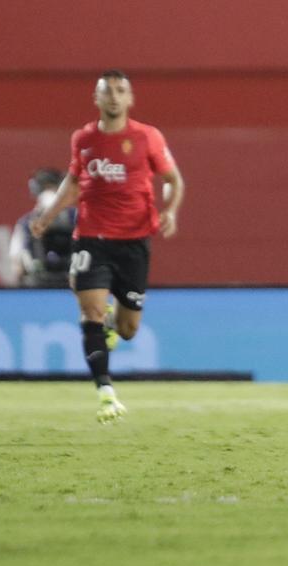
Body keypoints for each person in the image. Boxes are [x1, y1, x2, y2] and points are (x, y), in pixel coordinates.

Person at [27, 73, 186, 424]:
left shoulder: (148, 137)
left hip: (134, 242)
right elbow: (73, 181)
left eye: (120, 91)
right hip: (92, 238)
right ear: (95, 99)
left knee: (128, 330)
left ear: (130, 99)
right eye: (106, 91)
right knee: (91, 312)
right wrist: (49, 215)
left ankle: (115, 322)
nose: (113, 97)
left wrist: (170, 211)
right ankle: (106, 393)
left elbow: (174, 181)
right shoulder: (83, 139)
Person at [9, 168, 75, 289]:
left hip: (40, 287)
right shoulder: (78, 217)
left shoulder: (26, 222)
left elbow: (16, 264)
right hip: (71, 283)